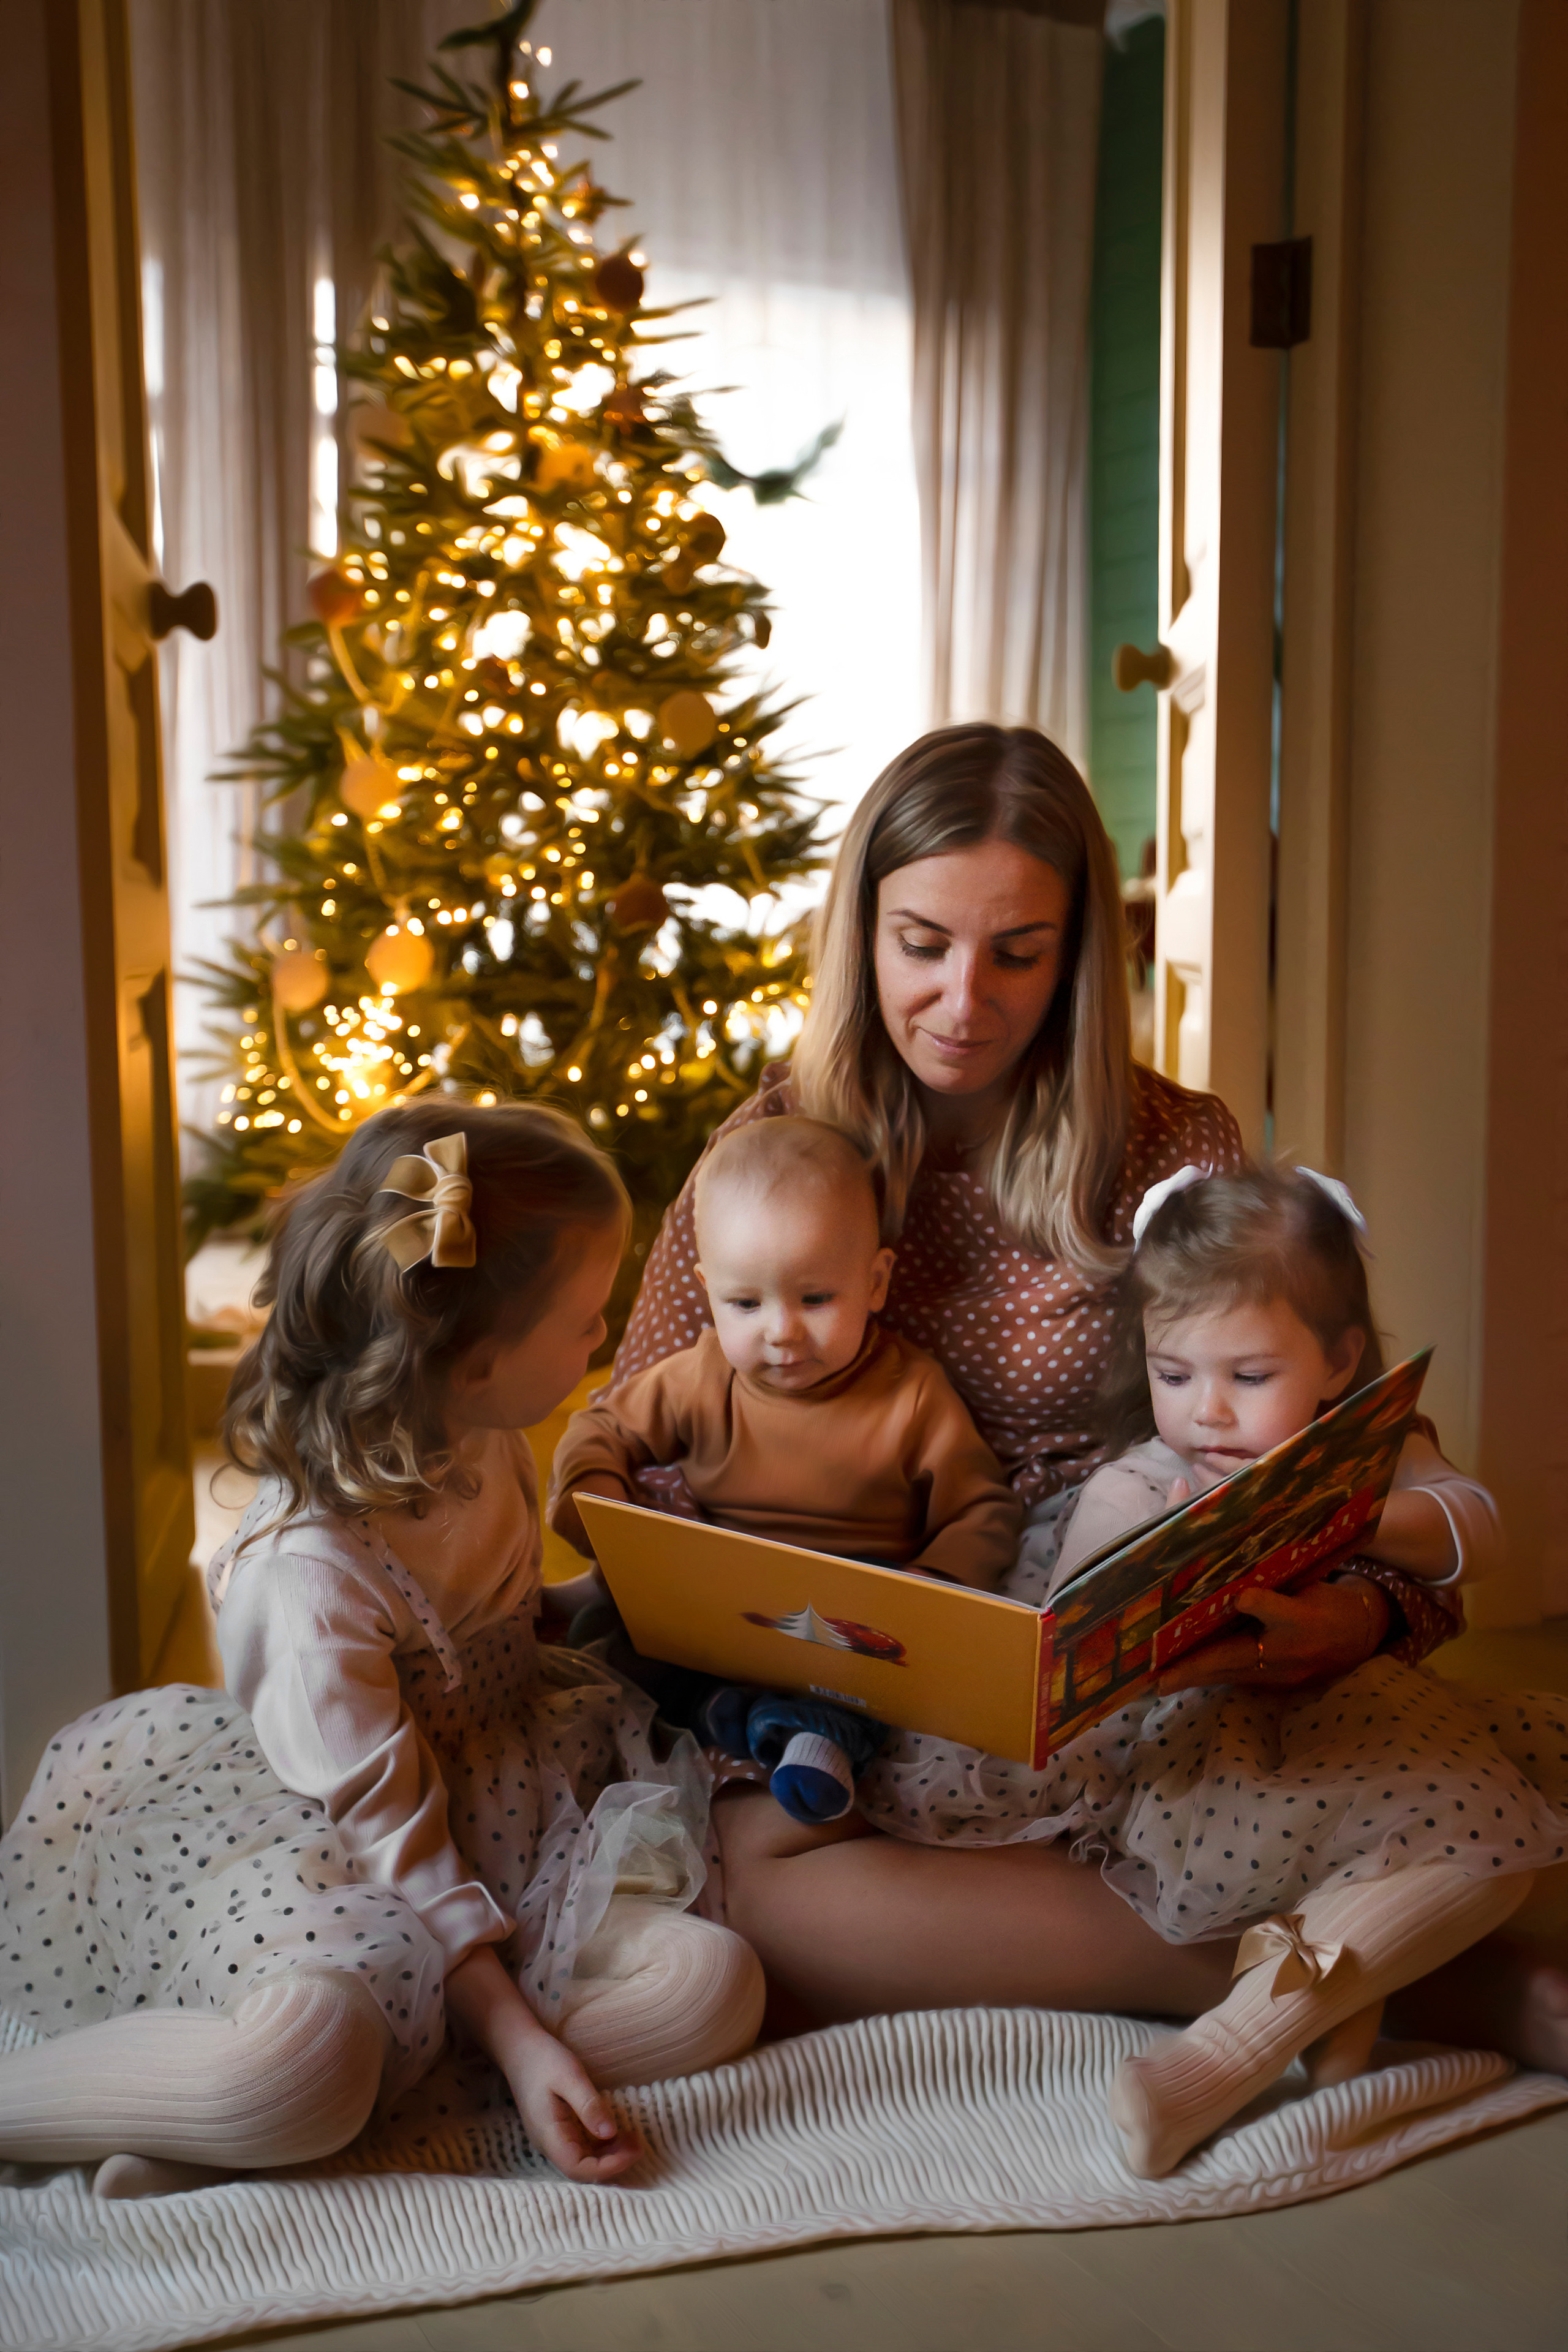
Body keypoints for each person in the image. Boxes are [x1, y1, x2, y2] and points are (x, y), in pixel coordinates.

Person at [613, 723, 1567, 2075]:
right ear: (860, 934)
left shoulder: (1175, 1145)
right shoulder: (769, 1153)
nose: (961, 998)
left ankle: (1372, 1935)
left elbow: (1315, 1414)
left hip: (1127, 1646)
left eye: (1016, 951)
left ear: (1075, 956)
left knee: (1447, 1806)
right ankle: (1386, 1974)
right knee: (763, 1885)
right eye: (921, 943)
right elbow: (636, 1456)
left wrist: (1354, 1608)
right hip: (858, 1650)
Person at [0, 1105, 763, 2199]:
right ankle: (265, 2097)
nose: (603, 1342)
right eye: (587, 1321)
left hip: (505, 1801)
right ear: (480, 1359)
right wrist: (519, 2037)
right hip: (344, 1861)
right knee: (305, 2061)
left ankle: (232, 2125)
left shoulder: (481, 1436)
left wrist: (650, 1591)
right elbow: (391, 1845)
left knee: (711, 1989)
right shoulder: (303, 1573)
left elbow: (503, 1630)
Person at [859, 1163, 1568, 2172]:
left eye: (1249, 1376)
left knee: (1488, 1825)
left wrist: (1347, 1512)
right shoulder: (1148, 1473)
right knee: (1456, 1833)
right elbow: (1072, 1631)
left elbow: (1479, 1533)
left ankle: (1223, 2060)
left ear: (1339, 1359)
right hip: (1195, 1750)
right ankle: (1312, 2029)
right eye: (1176, 1373)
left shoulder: (1369, 1455)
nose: (1210, 1414)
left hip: (1350, 1720)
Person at [547, 1113, 1019, 1819]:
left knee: (870, 1699)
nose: (782, 1331)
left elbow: (983, 1507)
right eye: (745, 1302)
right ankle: (727, 1712)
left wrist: (932, 1589)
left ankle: (806, 1742)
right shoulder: (702, 1378)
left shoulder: (912, 1393)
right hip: (722, 1615)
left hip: (848, 1635)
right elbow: (602, 1427)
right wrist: (597, 1498)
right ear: (708, 1291)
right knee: (620, 1655)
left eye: (816, 1298)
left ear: (877, 1281)